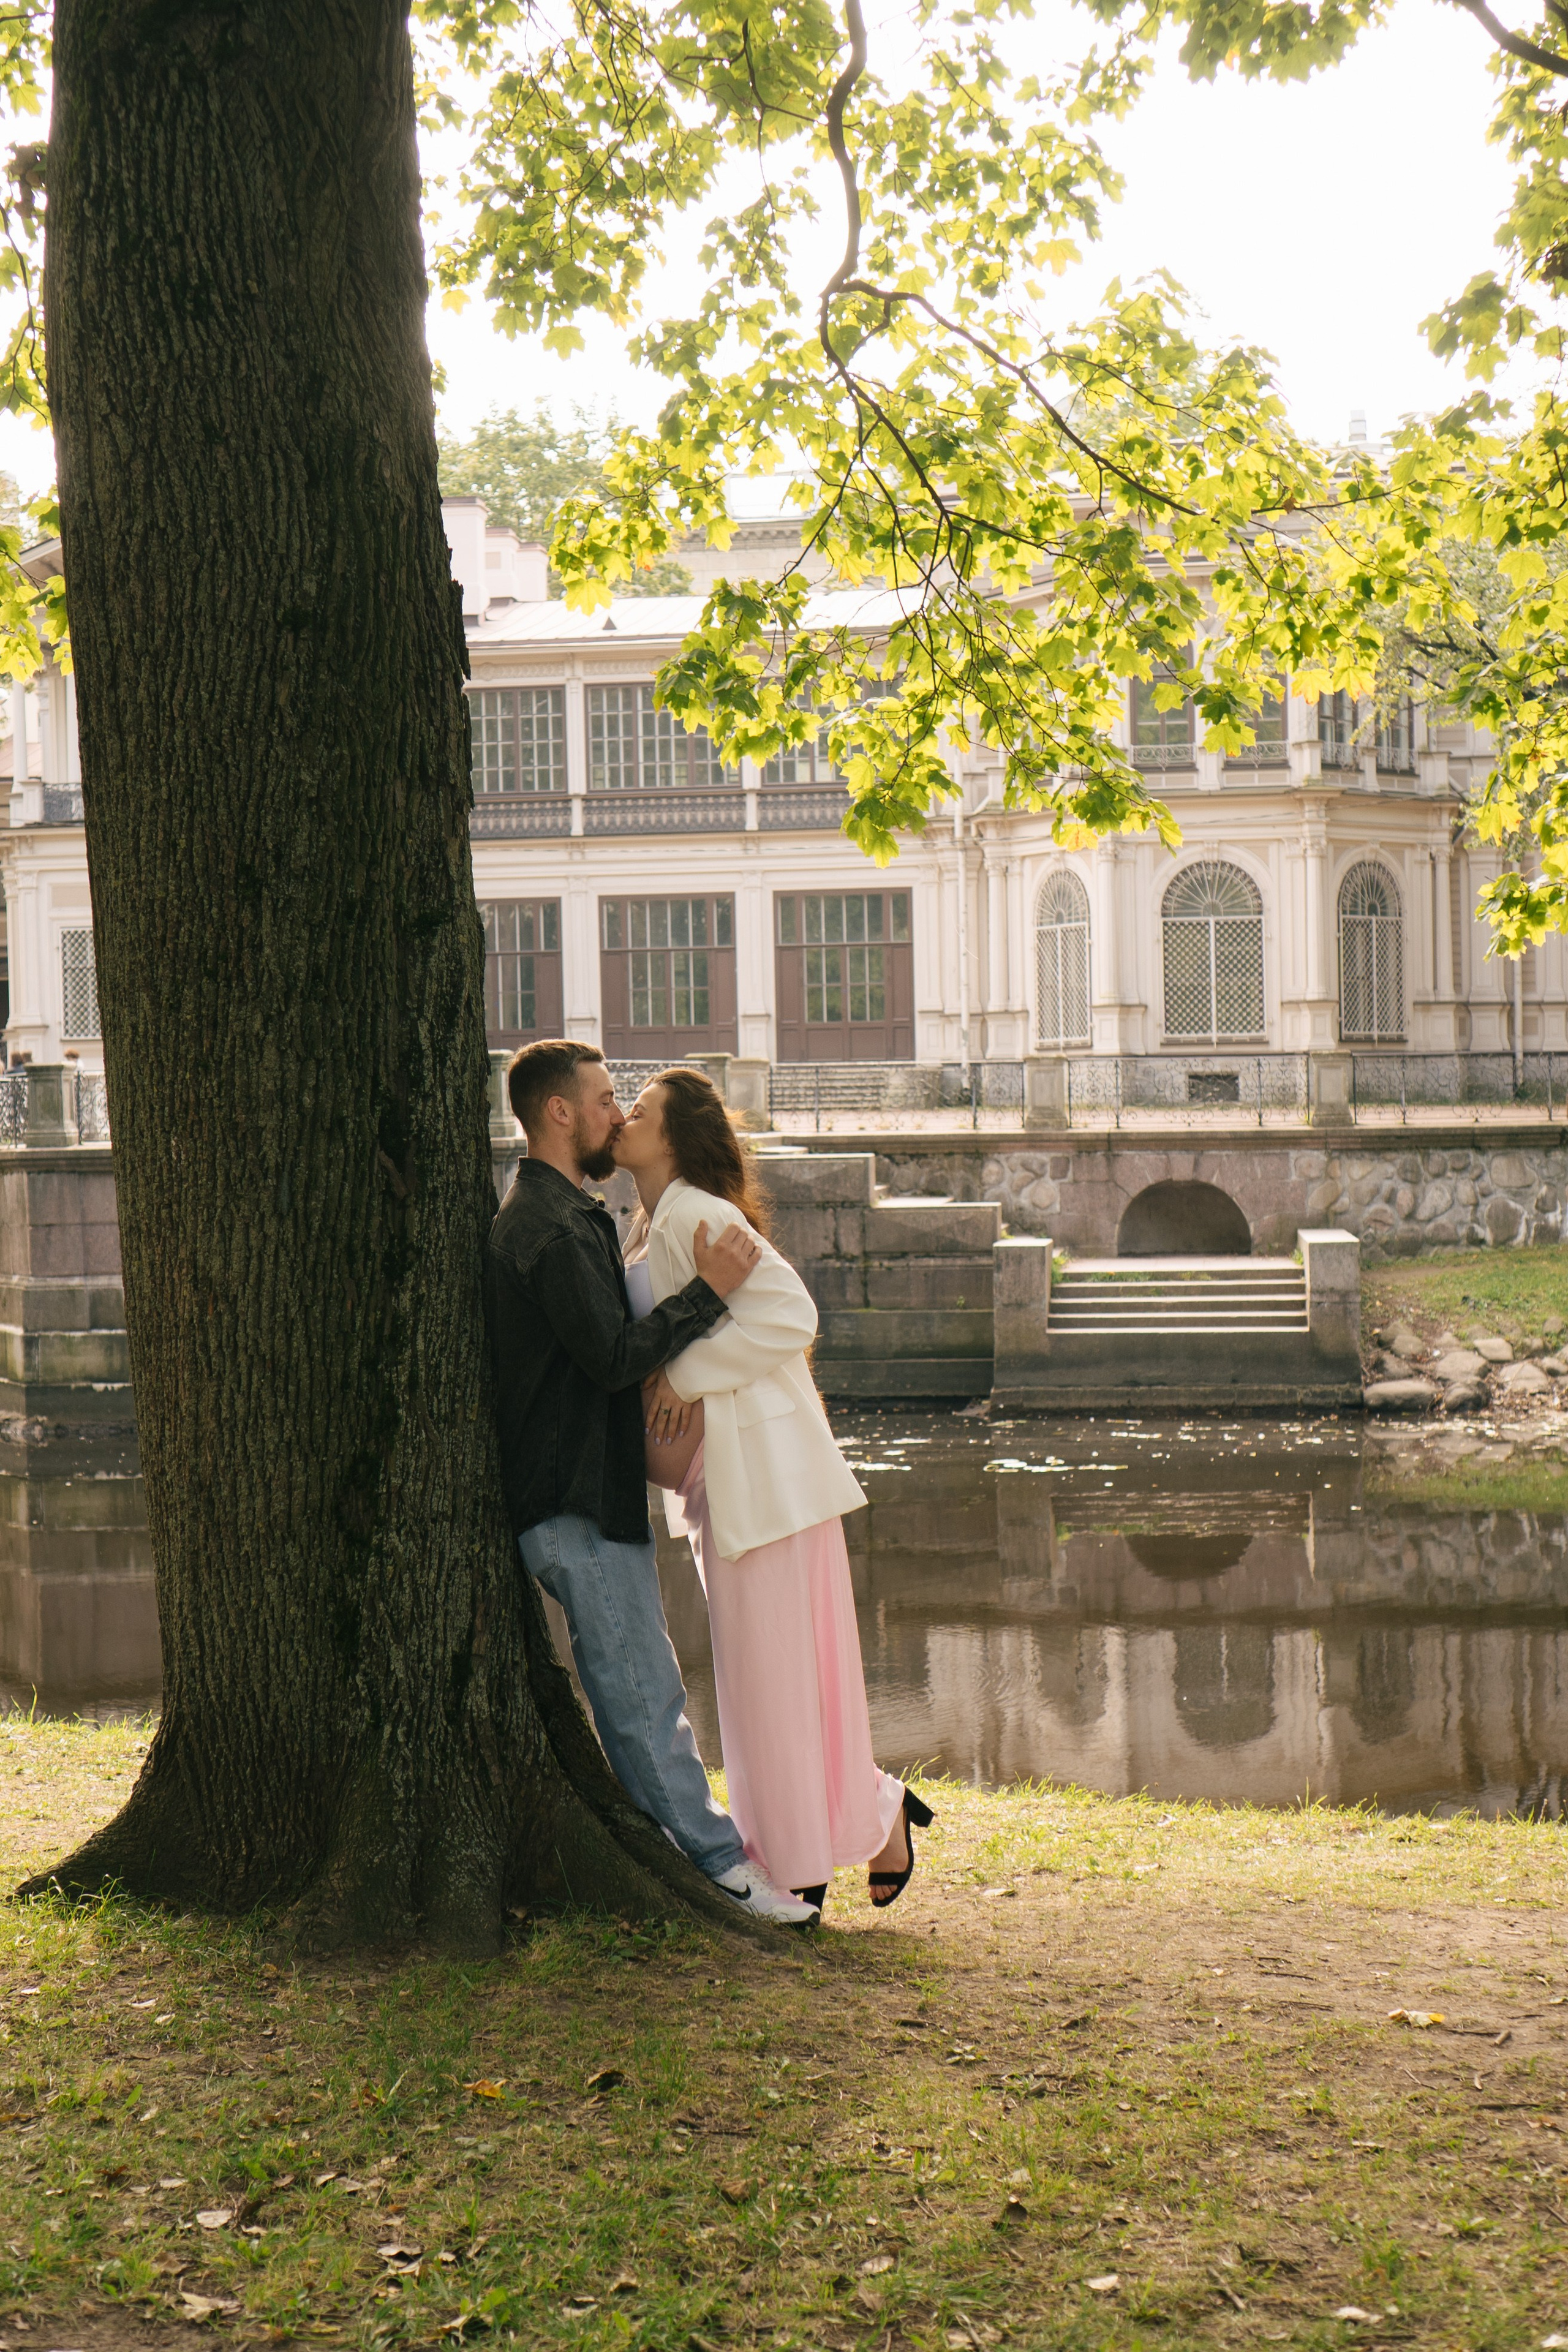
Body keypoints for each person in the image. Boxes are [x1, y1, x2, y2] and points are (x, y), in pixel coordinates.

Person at [484, 1039, 818, 1927]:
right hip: (571, 1499)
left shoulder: (570, 1214)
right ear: (559, 1112)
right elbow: (609, 1357)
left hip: (587, 1494)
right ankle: (722, 1871)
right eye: (602, 1101)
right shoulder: (548, 1226)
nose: (614, 1115)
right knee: (643, 1693)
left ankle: (681, 1857)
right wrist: (707, 1294)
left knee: (640, 1685)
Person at [615, 1066, 934, 1912]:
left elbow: (793, 1314)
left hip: (759, 1480)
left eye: (637, 1110)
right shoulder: (655, 1224)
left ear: (675, 1136)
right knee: (774, 1682)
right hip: (728, 1486)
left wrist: (685, 1380)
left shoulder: (699, 1214)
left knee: (775, 1683)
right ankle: (860, 1818)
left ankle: (796, 1864)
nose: (622, 1118)